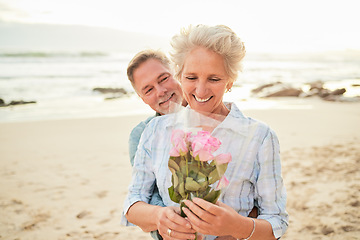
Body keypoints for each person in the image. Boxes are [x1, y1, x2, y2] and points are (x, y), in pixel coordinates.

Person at [123, 25, 288, 240]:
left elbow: (277, 221)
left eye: (214, 79)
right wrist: (159, 216)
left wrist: (238, 227)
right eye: (191, 78)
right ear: (179, 75)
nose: (200, 91)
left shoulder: (260, 137)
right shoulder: (155, 131)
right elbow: (132, 203)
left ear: (229, 81)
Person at [124, 49, 185, 240]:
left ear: (178, 72)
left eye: (164, 79)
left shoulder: (214, 115)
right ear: (143, 99)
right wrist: (168, 218)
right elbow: (145, 196)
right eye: (148, 89)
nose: (161, 91)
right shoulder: (142, 134)